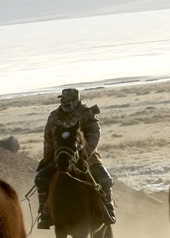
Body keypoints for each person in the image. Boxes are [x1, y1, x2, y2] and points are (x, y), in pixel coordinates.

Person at [34, 87, 116, 229]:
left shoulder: (87, 115)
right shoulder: (54, 117)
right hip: (60, 158)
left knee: (105, 180)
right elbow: (48, 139)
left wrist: (84, 154)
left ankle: (108, 211)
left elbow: (94, 136)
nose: (64, 103)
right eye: (63, 100)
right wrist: (48, 158)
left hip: (87, 158)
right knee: (41, 178)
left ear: (76, 100)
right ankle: (45, 213)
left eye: (68, 100)